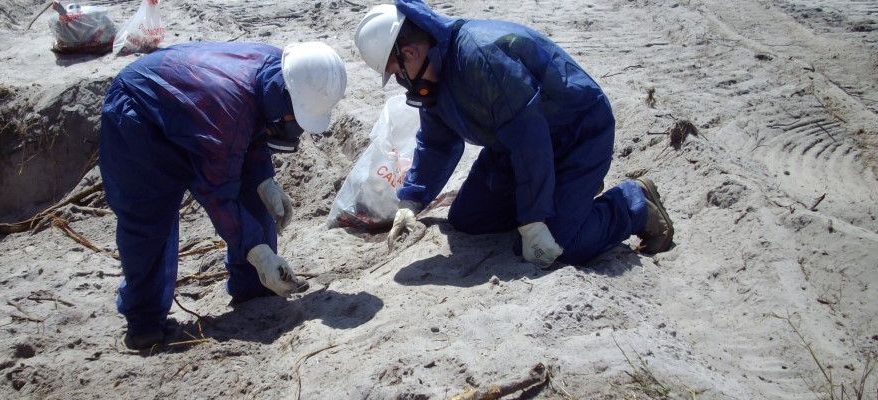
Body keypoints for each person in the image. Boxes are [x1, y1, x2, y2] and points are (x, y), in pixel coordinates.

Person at [354, 1, 673, 267]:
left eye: (397, 74)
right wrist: (412, 201)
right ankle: (565, 197)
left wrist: (534, 221)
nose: (401, 82)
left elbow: (530, 140)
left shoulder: (480, 57)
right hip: (514, 145)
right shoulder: (433, 76)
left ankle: (635, 204)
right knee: (469, 219)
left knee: (561, 246)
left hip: (576, 134)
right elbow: (438, 142)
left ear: (409, 53)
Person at [99, 41, 347, 350]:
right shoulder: (230, 106)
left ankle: (255, 288)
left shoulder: (282, 72)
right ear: (288, 101)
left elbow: (251, 127)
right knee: (149, 218)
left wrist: (263, 181)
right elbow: (219, 194)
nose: (295, 131)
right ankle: (145, 322)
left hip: (198, 110)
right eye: (296, 121)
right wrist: (259, 253)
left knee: (251, 195)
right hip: (138, 113)